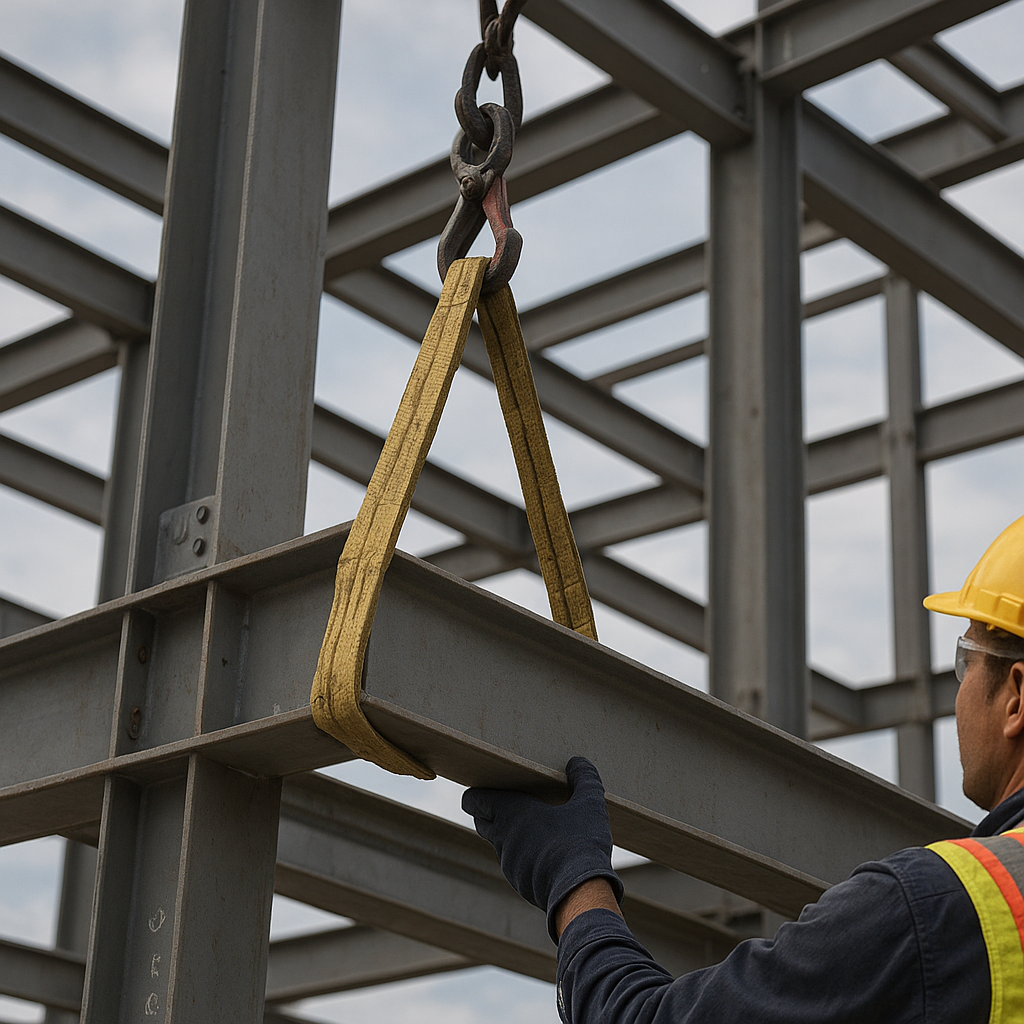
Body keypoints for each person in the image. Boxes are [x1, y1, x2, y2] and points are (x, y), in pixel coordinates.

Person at [462, 515, 1024, 1023]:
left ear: (1016, 695)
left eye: (964, 661)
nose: (959, 691)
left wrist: (573, 883)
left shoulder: (934, 912)